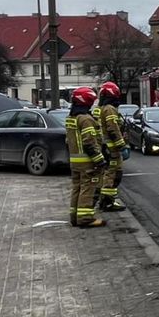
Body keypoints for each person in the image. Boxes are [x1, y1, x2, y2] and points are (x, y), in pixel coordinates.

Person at [66, 86, 108, 227]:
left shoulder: (71, 118)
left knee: (76, 188)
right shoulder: (85, 120)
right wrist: (100, 160)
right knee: (88, 188)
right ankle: (85, 219)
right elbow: (89, 143)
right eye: (91, 101)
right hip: (87, 162)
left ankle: (74, 217)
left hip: (75, 161)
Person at [93, 82, 128, 212]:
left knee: (108, 174)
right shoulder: (109, 109)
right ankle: (107, 202)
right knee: (113, 174)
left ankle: (106, 200)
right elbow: (113, 128)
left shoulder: (100, 108)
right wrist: (121, 145)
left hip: (104, 146)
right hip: (112, 148)